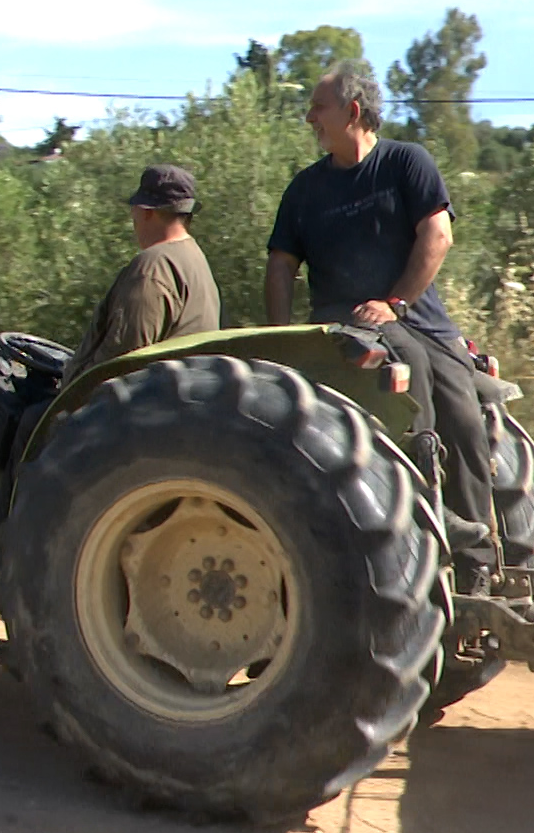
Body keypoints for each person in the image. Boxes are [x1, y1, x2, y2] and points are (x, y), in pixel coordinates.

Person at [262, 61, 497, 585]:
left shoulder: (406, 163)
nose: (309, 119)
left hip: (415, 317)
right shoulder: (305, 190)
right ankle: (431, 519)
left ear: (351, 111)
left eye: (317, 108)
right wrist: (279, 339)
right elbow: (280, 266)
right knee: (405, 379)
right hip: (345, 324)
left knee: (465, 411)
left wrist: (395, 301)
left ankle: (479, 558)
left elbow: (437, 236)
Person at [59, 164, 221, 385]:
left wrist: (72, 400)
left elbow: (120, 364)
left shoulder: (153, 268)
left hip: (145, 408)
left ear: (147, 211)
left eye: (133, 209)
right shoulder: (194, 257)